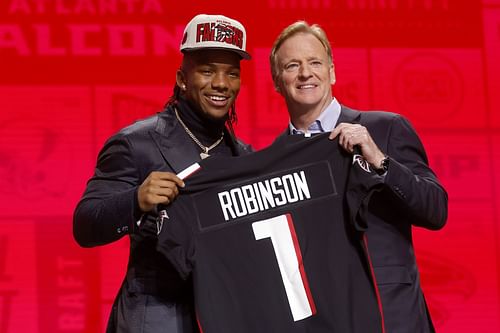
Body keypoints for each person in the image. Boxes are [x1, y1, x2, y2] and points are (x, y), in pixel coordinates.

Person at [73, 14, 252, 333]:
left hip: (225, 315)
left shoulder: (245, 156)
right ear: (183, 79)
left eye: (231, 73)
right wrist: (136, 200)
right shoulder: (137, 143)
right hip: (156, 316)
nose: (221, 83)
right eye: (208, 70)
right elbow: (85, 225)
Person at [270, 21, 448, 333]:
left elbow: (435, 210)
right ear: (276, 81)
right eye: (292, 65)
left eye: (315, 62)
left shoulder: (385, 128)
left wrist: (379, 159)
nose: (305, 73)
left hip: (392, 320)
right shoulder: (271, 160)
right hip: (322, 322)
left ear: (332, 71)